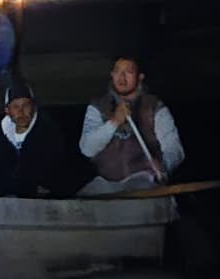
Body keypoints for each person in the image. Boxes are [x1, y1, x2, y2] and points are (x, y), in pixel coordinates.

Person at [78, 55, 185, 195]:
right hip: (107, 185)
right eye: (117, 71)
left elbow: (175, 149)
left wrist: (164, 165)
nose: (121, 77)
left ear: (140, 77)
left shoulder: (155, 107)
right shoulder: (97, 107)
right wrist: (114, 122)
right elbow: (87, 149)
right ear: (112, 74)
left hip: (145, 184)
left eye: (128, 72)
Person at [0, 83, 66, 197]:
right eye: (15, 107)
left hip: (38, 198)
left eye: (26, 105)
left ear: (34, 107)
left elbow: (53, 169)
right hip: (2, 198)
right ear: (7, 111)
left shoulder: (47, 129)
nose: (21, 112)